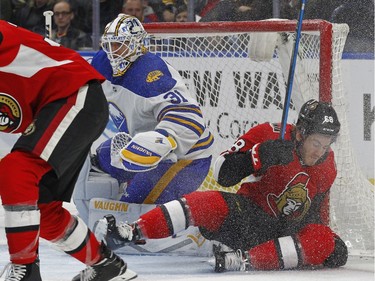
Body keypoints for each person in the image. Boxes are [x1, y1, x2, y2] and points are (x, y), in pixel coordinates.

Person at [95, 99, 349, 272]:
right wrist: (257, 156)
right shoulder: (268, 135)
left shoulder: (329, 165)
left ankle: (242, 261)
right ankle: (130, 232)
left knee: (326, 241)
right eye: (316, 143)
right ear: (301, 132)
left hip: (282, 234)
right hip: (247, 218)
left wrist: (322, 243)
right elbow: (221, 173)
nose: (320, 152)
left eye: (327, 145)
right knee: (206, 201)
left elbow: (317, 213)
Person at [0, 20, 137, 281]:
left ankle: (26, 271)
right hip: (59, 107)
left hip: (72, 94)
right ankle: (108, 267)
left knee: (16, 170)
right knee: (46, 212)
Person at [72, 14, 213, 224]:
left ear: (137, 45)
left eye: (119, 46)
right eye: (108, 45)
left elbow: (189, 116)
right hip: (138, 140)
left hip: (186, 158)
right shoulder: (102, 62)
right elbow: (76, 83)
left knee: (134, 211)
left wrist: (164, 139)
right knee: (98, 161)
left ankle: (179, 223)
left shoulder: (150, 74)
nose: (112, 53)